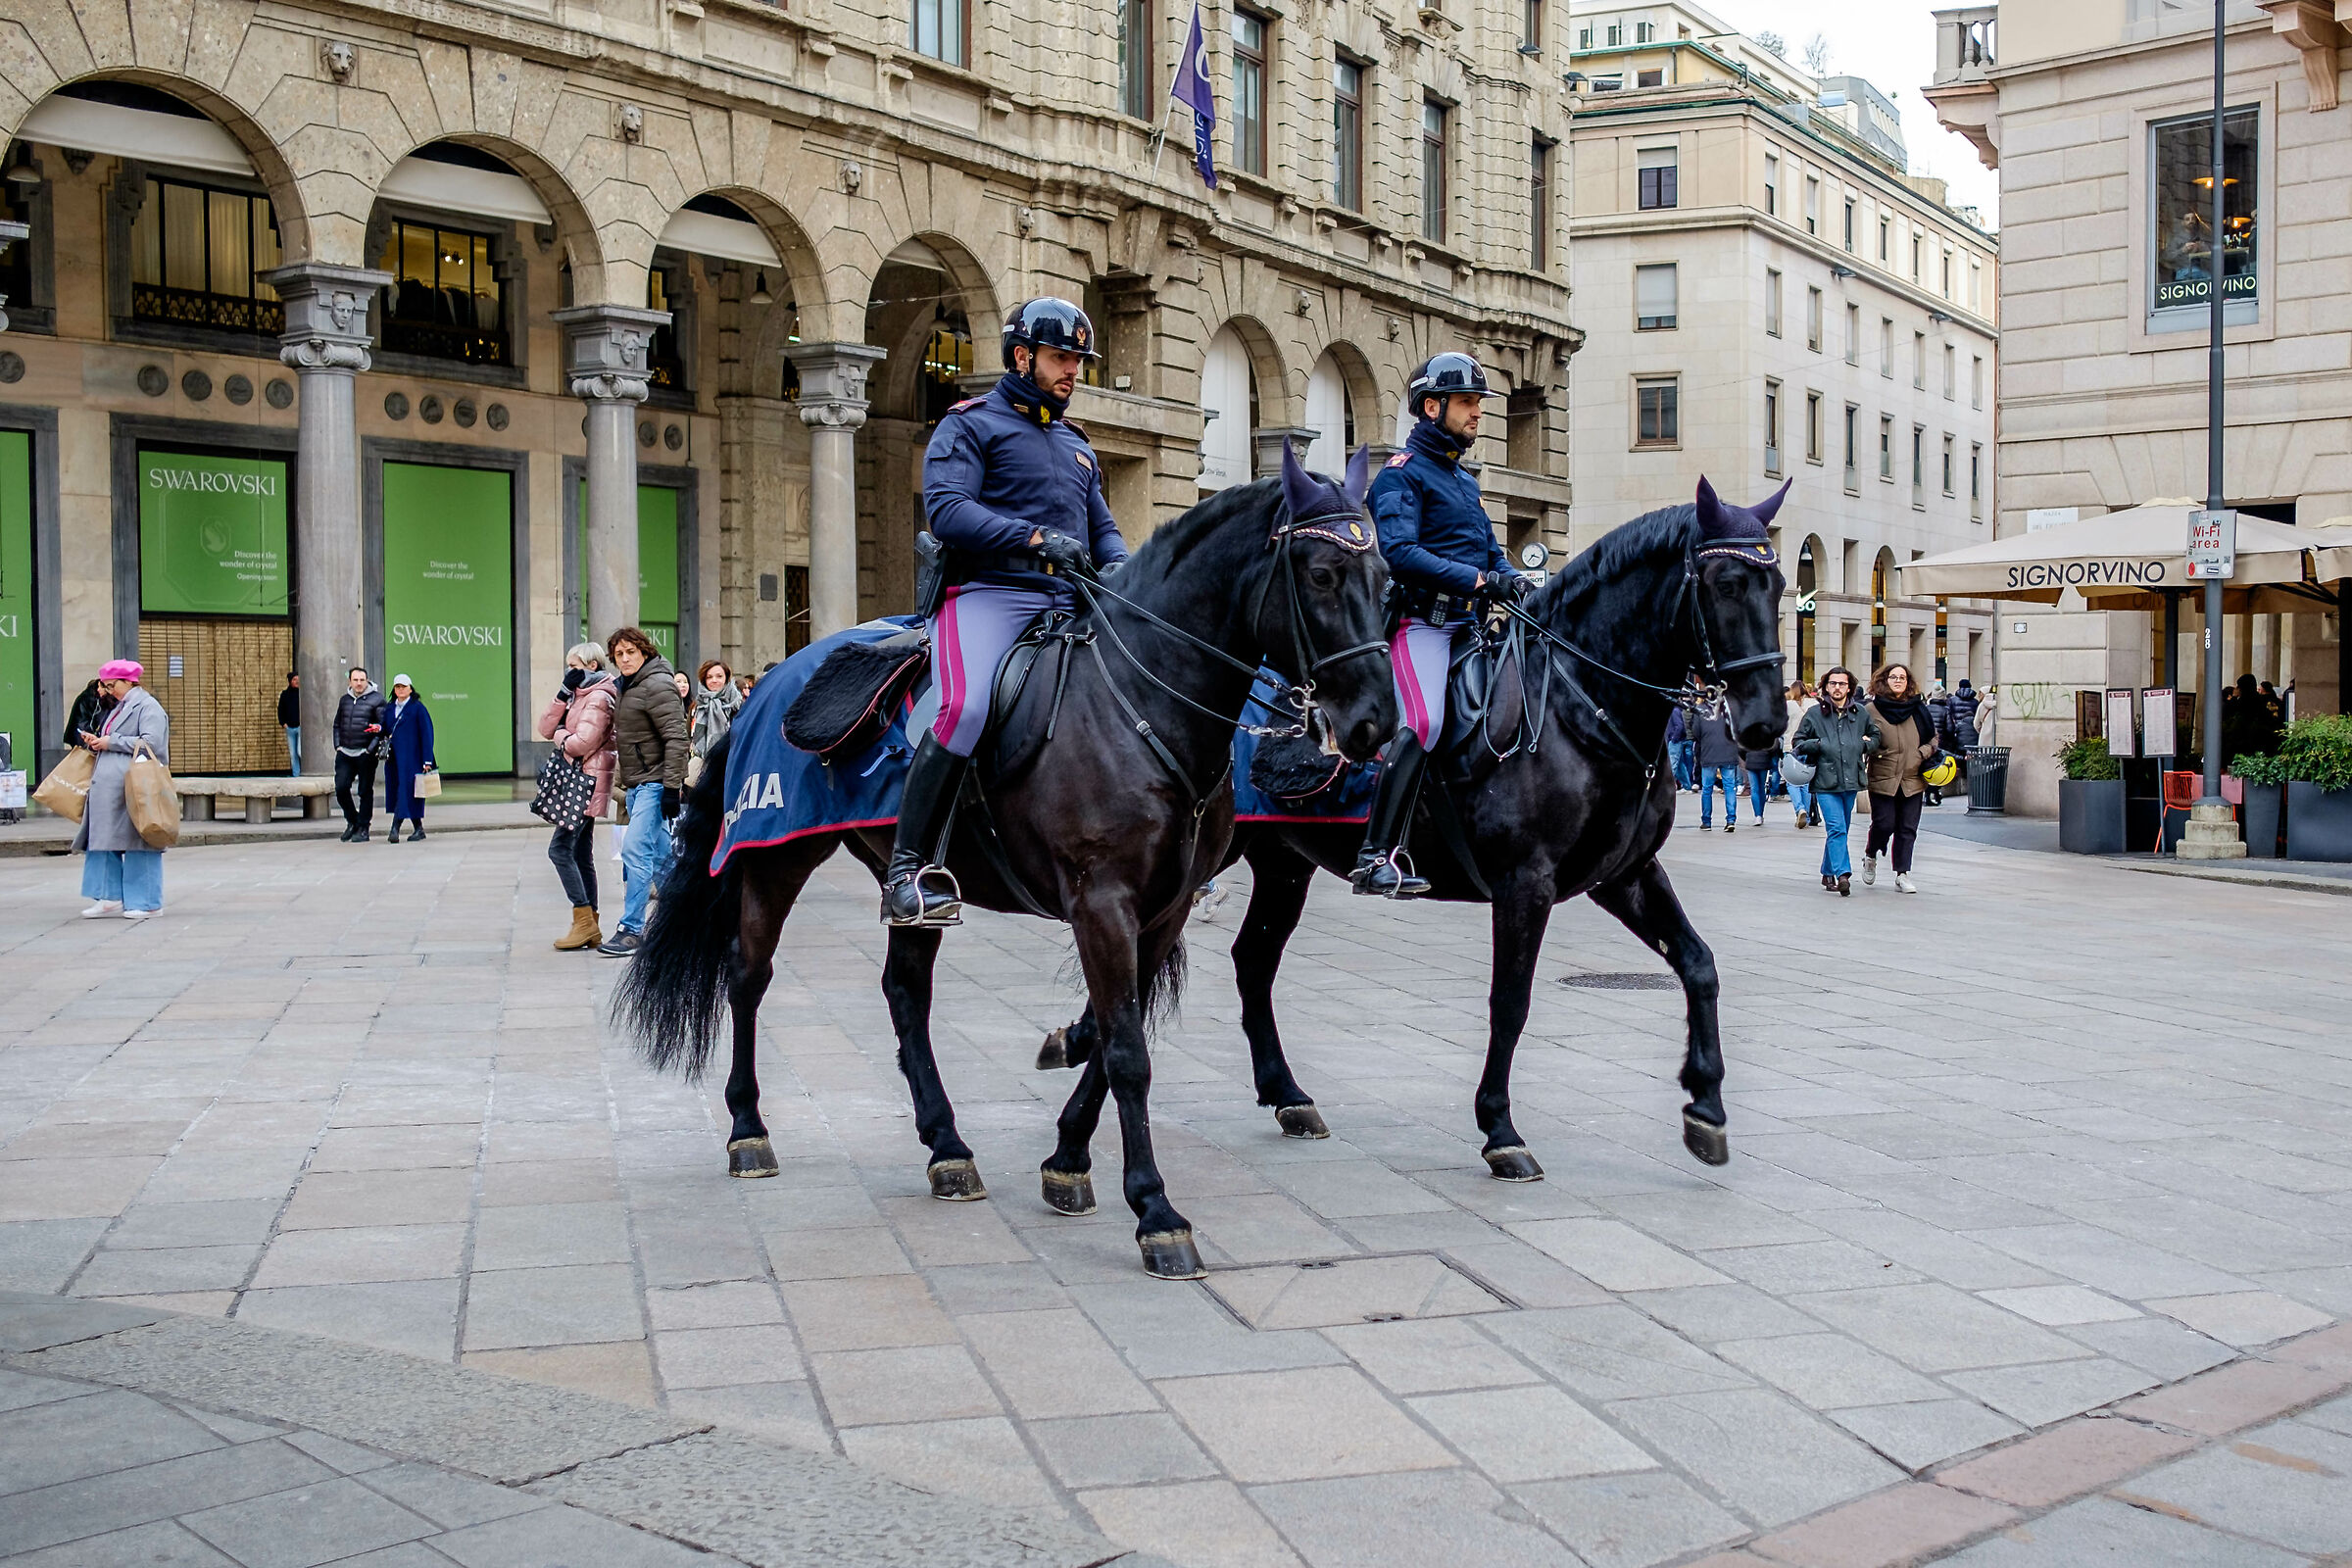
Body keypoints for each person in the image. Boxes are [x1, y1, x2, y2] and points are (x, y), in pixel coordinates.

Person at [883, 297, 1130, 927]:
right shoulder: (969, 425)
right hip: (990, 595)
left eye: (1079, 360)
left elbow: (1103, 532)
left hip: (1071, 600)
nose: (1073, 370)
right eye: (1060, 358)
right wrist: (1036, 539)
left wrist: (1126, 572)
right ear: (1022, 358)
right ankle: (908, 870)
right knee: (964, 708)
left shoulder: (1077, 446)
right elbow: (948, 511)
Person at [1353, 352, 1528, 897]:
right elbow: (1400, 553)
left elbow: (1490, 552)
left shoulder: (1464, 481)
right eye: (1467, 403)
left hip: (1471, 629)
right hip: (1421, 627)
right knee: (1424, 725)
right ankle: (1374, 855)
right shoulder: (1398, 477)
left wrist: (1511, 579)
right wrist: (1479, 582)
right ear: (1432, 407)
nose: (1477, 413)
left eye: (1479, 403)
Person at [599, 626, 690, 955]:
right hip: (638, 785)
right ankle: (686, 923)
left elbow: (677, 738)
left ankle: (631, 930)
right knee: (664, 859)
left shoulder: (657, 684)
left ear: (645, 651)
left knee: (636, 852)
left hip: (654, 784)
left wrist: (671, 787)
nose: (624, 659)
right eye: (619, 654)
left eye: (630, 652)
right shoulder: (628, 685)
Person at [539, 642, 620, 951]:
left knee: (560, 850)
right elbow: (545, 727)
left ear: (593, 666)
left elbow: (581, 743)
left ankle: (584, 920)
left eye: (575, 666)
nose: (570, 671)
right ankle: (590, 924)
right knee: (580, 853)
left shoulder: (600, 697)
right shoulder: (577, 695)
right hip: (580, 780)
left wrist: (561, 734)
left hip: (586, 782)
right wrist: (561, 694)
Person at [74, 661, 169, 919]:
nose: (107, 690)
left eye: (111, 685)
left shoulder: (148, 707)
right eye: (105, 685)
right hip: (109, 787)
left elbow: (152, 742)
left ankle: (148, 902)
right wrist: (97, 742)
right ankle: (108, 896)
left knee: (140, 841)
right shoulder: (121, 707)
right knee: (102, 841)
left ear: (128, 682)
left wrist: (110, 741)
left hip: (135, 788)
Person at [1790, 665, 1876, 894]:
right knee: (1836, 828)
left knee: (1842, 829)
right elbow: (1798, 742)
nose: (1837, 688)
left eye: (1842, 684)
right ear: (1826, 686)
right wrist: (1818, 745)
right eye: (1833, 683)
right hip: (1825, 781)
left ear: (1849, 687)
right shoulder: (1815, 714)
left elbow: (1875, 735)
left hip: (1851, 779)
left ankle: (1827, 871)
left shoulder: (1859, 712)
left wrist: (1864, 744)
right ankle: (1843, 874)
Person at [1862, 662, 1935, 893]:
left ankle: (1902, 873)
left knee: (1907, 828)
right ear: (1884, 680)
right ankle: (1870, 854)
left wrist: (1922, 753)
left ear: (1908, 682)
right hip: (1883, 777)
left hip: (1913, 778)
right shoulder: (1871, 710)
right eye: (1893, 677)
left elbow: (1933, 738)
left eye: (1902, 678)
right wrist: (1874, 749)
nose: (1898, 681)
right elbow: (1862, 738)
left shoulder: (1919, 708)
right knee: (1884, 823)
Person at [379, 675, 437, 843]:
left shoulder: (418, 708)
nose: (401, 690)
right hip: (395, 759)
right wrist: (379, 728)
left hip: (414, 759)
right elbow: (386, 728)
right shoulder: (390, 708)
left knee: (406, 791)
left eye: (404, 686)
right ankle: (418, 828)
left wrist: (427, 760)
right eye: (397, 687)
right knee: (405, 792)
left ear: (410, 689)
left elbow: (427, 734)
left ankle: (394, 828)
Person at [333, 667, 387, 842]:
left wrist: (369, 749)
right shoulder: (345, 700)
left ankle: (363, 827)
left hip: (365, 753)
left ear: (367, 680)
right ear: (350, 681)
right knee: (341, 788)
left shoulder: (377, 699)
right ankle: (353, 821)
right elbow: (337, 724)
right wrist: (338, 746)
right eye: (355, 680)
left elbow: (382, 727)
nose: (358, 683)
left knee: (364, 791)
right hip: (345, 752)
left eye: (362, 680)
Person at [1692, 698, 1742, 832]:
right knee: (1729, 787)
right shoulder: (1730, 708)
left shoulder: (1700, 709)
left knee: (1707, 789)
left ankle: (1706, 821)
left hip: (1709, 753)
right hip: (1729, 752)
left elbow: (1695, 732)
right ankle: (1731, 820)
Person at [689, 659, 740, 772]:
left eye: (719, 676)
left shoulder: (737, 705)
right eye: (709, 677)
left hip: (732, 764)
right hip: (703, 766)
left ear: (726, 678)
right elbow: (690, 736)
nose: (714, 680)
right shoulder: (697, 706)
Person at [1783, 680, 1817, 827]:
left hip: (1790, 746)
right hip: (1809, 746)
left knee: (1791, 782)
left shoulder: (1788, 705)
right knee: (1805, 782)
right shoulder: (1814, 704)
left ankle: (1800, 809)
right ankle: (1807, 816)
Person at [63, 676, 115, 752]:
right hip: (86, 739)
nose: (98, 689)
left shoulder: (97, 697)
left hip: (87, 738)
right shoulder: (94, 699)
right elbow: (84, 726)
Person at [1665, 706, 1695, 792]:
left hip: (1674, 741)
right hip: (1676, 740)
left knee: (1672, 765)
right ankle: (1687, 786)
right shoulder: (1676, 710)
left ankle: (1666, 787)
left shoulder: (1674, 710)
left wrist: (1673, 738)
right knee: (1679, 766)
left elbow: (1679, 726)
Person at [277, 672, 301, 774]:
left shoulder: (302, 694)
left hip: (300, 727)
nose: (297, 682)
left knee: (300, 751)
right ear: (290, 681)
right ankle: (296, 774)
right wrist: (283, 723)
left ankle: (305, 771)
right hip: (290, 728)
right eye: (294, 680)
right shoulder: (285, 695)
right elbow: (280, 710)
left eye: (298, 679)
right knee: (293, 753)